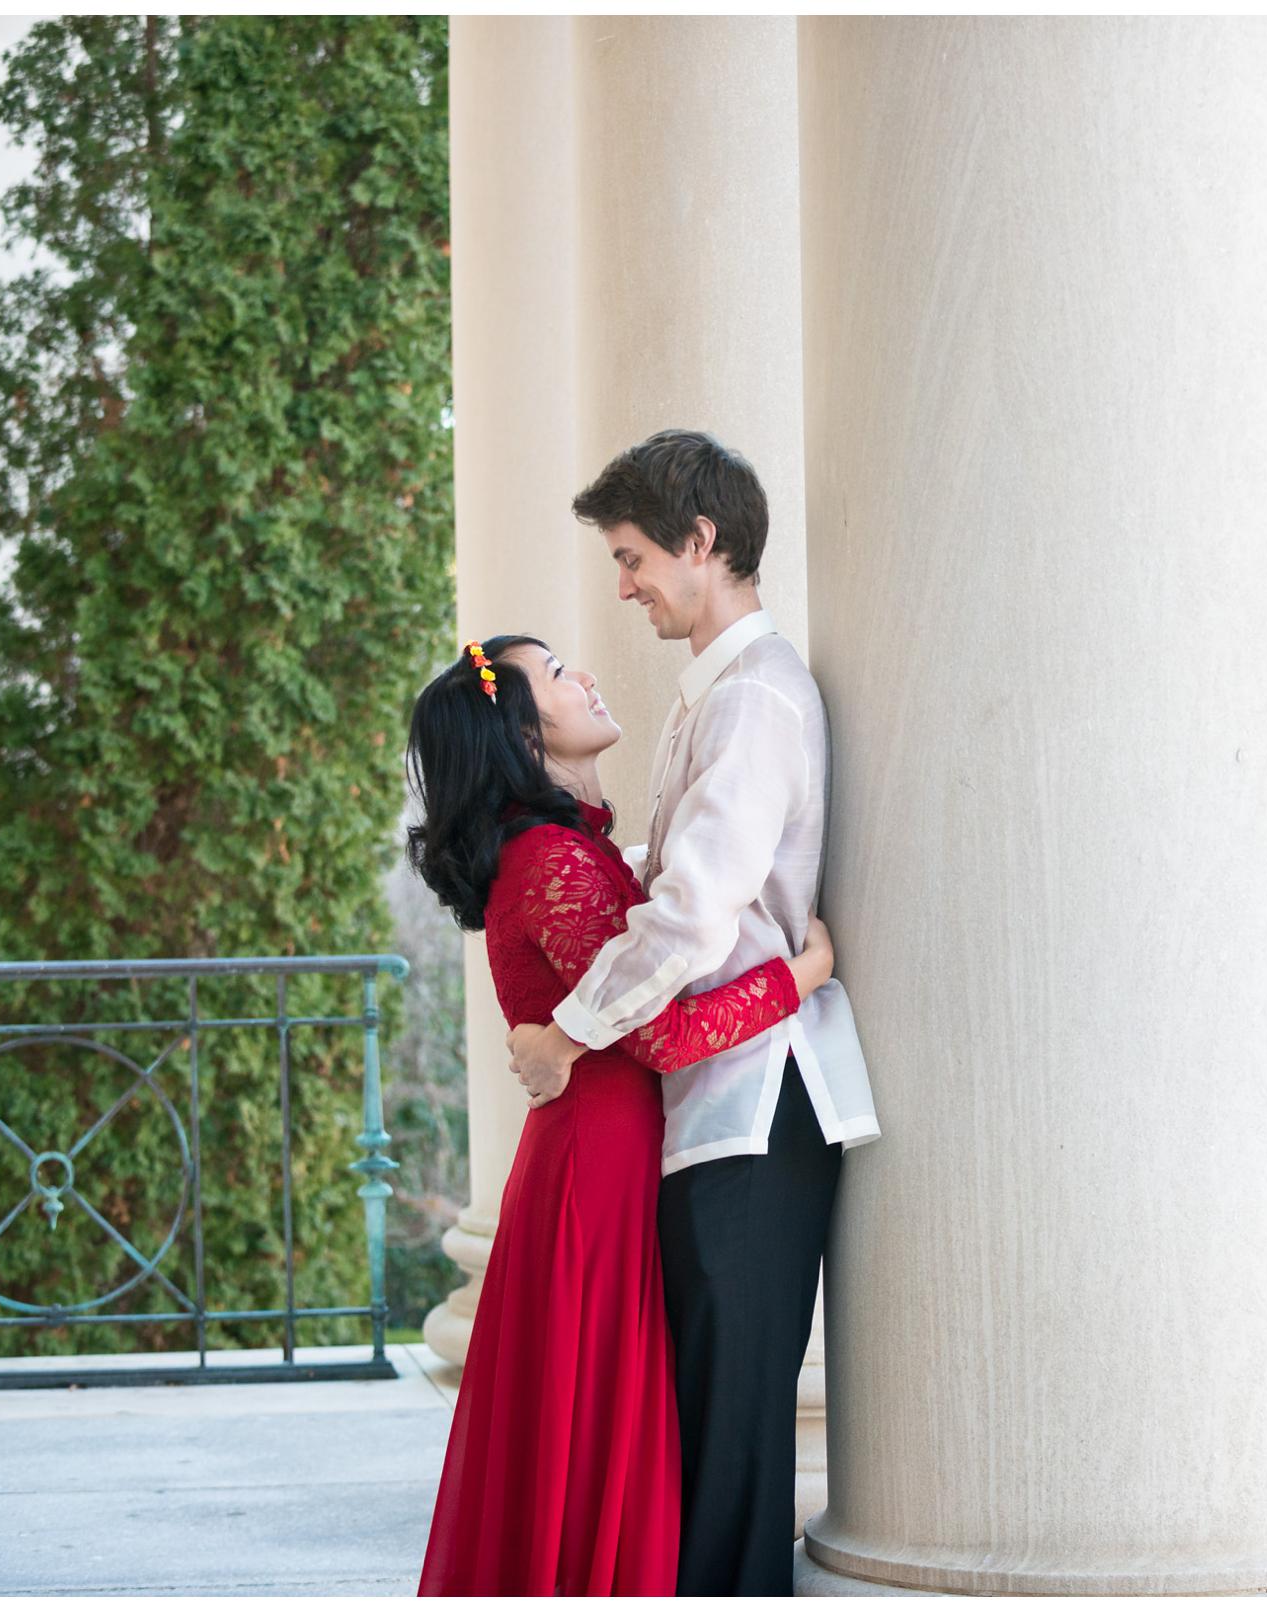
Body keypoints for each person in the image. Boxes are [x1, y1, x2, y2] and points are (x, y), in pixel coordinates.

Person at [506, 430, 879, 1596]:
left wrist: (568, 1031)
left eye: (632, 557)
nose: (624, 585)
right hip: (715, 1106)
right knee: (711, 1442)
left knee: (733, 1450)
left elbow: (693, 917)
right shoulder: (704, 703)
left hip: (756, 1109)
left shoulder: (756, 701)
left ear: (701, 542)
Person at [405, 631, 835, 1596]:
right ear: (522, 730)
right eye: (556, 673)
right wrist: (801, 976)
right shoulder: (549, 859)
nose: (585, 674)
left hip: (612, 1155)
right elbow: (668, 1036)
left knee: (611, 1425)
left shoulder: (577, 848)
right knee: (602, 1419)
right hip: (596, 1173)